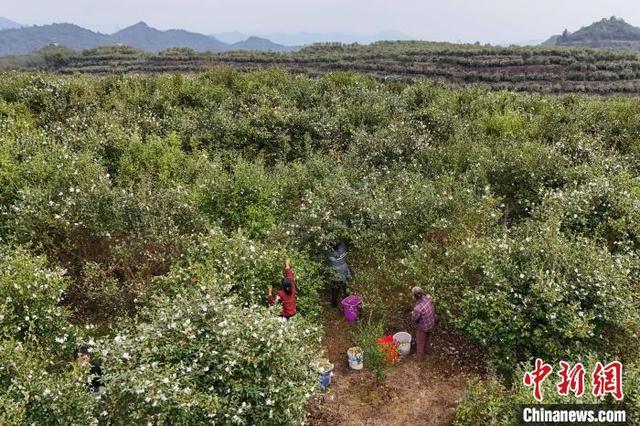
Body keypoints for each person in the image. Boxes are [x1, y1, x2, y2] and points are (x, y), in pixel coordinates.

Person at [410, 287, 435, 361]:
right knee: (428, 338)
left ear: (415, 296)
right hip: (431, 324)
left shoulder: (418, 308)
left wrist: (412, 313)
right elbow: (430, 300)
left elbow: (414, 319)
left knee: (420, 342)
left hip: (423, 328)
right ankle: (428, 352)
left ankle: (419, 358)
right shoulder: (428, 298)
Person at [326, 241, 351, 308]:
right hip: (344, 269)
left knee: (335, 289)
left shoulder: (329, 252)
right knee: (344, 287)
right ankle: (347, 303)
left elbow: (327, 257)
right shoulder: (343, 246)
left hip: (335, 272)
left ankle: (334, 304)